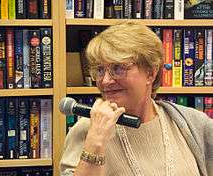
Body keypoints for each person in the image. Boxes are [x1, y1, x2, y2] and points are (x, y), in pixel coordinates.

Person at [60, 22, 213, 176]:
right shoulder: (87, 130)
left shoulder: (192, 124)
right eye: (100, 70)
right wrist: (95, 142)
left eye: (118, 68)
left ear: (150, 73)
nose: (105, 81)